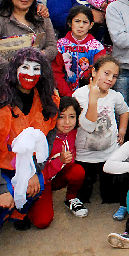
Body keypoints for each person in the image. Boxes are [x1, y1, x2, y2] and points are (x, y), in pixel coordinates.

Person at [0, 48, 59, 244]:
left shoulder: (49, 98)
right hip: (1, 166)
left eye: (36, 68)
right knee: (5, 196)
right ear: (14, 69)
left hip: (30, 164)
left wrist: (34, 170)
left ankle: (19, 213)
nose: (30, 73)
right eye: (25, 67)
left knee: (35, 187)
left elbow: (50, 134)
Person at [72, 56, 129, 210]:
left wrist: (122, 130)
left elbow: (124, 111)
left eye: (114, 76)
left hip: (108, 154)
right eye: (106, 73)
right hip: (84, 156)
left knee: (111, 197)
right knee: (82, 196)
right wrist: (93, 98)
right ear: (94, 72)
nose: (110, 79)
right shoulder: (80, 95)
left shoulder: (115, 96)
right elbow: (88, 124)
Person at [28, 96, 88, 225]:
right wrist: (59, 161)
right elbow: (40, 172)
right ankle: (26, 207)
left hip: (57, 175)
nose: (67, 122)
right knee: (43, 222)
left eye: (72, 116)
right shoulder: (44, 137)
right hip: (42, 179)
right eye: (61, 117)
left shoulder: (73, 132)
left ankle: (71, 199)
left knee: (78, 171)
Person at [51, 5, 105, 97]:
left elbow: (99, 73)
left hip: (89, 95)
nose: (81, 26)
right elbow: (56, 72)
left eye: (85, 22)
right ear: (69, 23)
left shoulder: (97, 47)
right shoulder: (61, 45)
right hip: (64, 95)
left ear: (91, 25)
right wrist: (68, 95)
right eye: (77, 21)